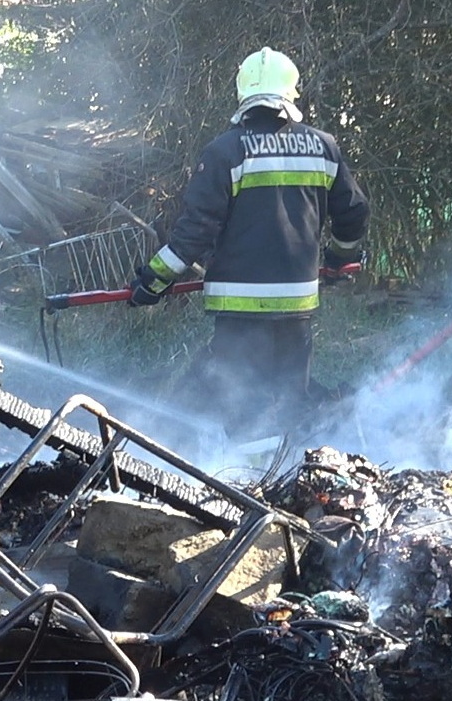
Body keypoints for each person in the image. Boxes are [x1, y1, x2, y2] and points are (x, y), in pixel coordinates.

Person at [129, 47, 369, 441]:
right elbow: (354, 212)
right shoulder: (323, 147)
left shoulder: (224, 151)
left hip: (240, 313)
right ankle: (293, 481)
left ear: (243, 94)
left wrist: (153, 282)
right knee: (291, 401)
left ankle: (247, 486)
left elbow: (194, 232)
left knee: (244, 412)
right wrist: (340, 258)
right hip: (297, 307)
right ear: (291, 93)